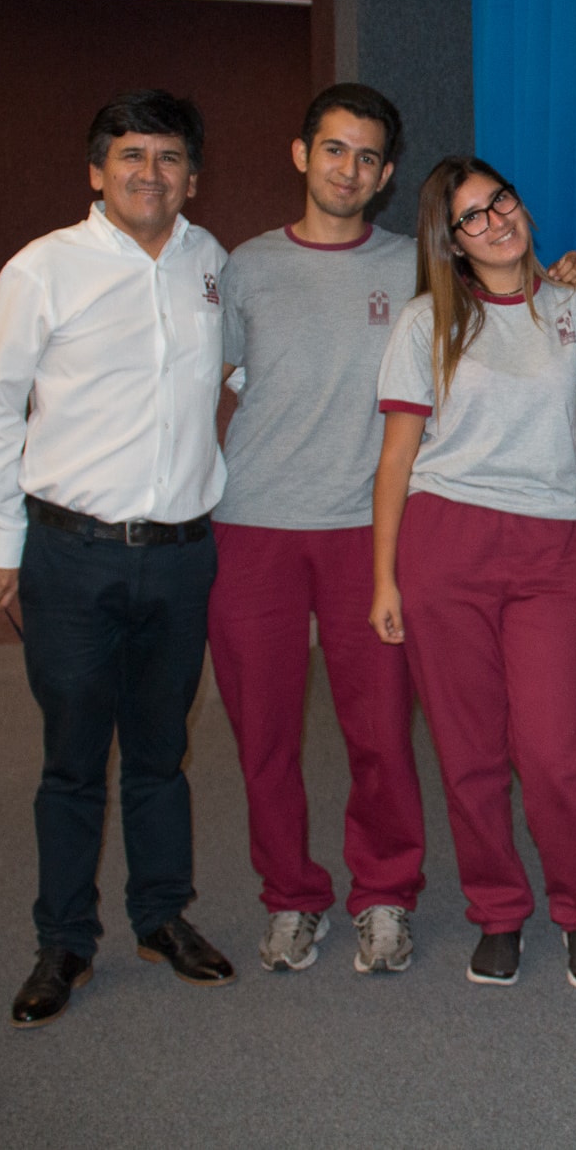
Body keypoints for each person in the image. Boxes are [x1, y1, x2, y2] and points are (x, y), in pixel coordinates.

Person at [0, 89, 236, 1027]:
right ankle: (65, 940)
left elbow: (242, 367)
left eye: (167, 158)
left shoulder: (212, 266)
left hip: (181, 558)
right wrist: (4, 538)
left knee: (163, 752)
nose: (148, 174)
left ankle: (163, 915)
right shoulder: (43, 269)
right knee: (74, 758)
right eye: (130, 156)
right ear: (96, 170)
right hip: (70, 558)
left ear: (191, 176)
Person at [369, 156, 576, 988]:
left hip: (553, 545)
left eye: (500, 200)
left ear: (523, 204)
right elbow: (397, 457)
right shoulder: (424, 322)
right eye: (470, 216)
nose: (493, 221)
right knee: (469, 750)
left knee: (553, 751)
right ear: (451, 240)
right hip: (446, 546)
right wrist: (384, 579)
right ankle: (498, 909)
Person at [207, 84, 428, 977]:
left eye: (369, 156)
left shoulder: (418, 266)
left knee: (379, 728)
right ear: (302, 155)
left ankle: (383, 894)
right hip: (252, 524)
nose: (350, 169)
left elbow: (506, 297)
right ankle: (292, 896)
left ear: (386, 174)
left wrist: (567, 272)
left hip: (366, 532)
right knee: (263, 732)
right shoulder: (245, 268)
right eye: (334, 149)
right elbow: (202, 380)